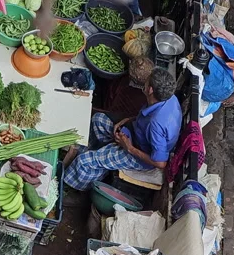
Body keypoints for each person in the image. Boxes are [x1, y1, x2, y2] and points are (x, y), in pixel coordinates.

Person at [64, 67, 182, 195]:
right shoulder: (169, 97)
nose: (144, 81)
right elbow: (146, 116)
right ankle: (97, 161)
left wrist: (129, 148)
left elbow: (160, 162)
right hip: (135, 134)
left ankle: (75, 190)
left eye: (147, 80)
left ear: (150, 90)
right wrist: (127, 119)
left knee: (83, 162)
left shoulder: (156, 124)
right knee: (98, 120)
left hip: (139, 155)